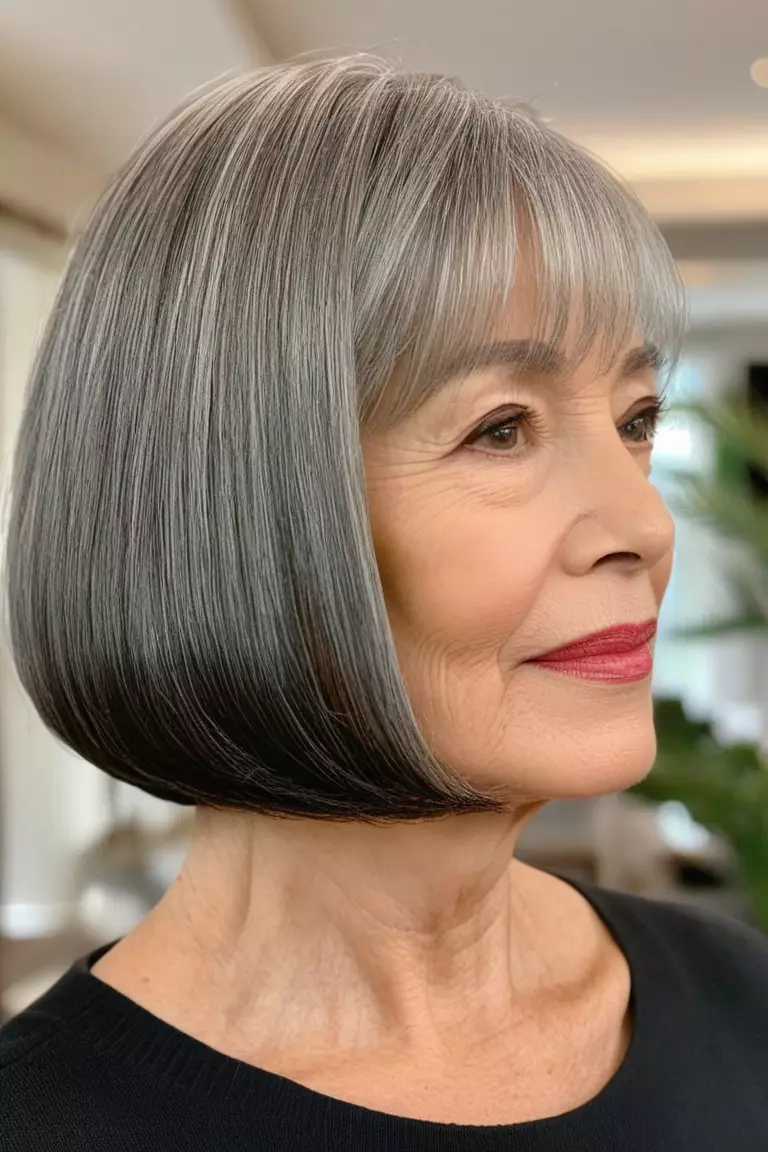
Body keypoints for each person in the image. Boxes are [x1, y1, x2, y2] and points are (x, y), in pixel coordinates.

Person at [1, 54, 767, 1151]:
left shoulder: (742, 1002)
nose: (645, 528)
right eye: (501, 428)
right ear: (241, 507)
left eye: (636, 419)